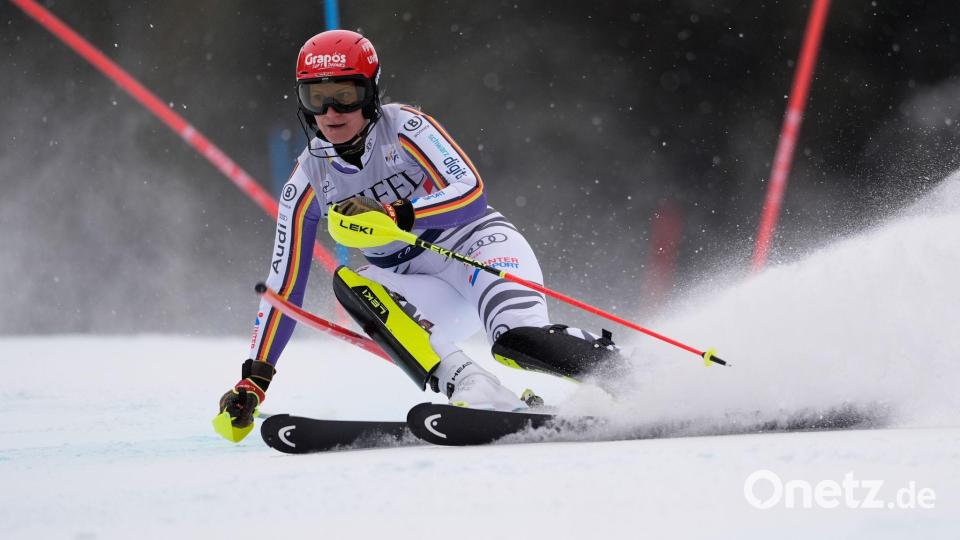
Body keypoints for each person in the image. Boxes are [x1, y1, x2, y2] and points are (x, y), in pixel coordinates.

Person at [218, 29, 622, 435]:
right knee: (352, 286)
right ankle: (474, 386)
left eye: (345, 95)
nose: (331, 112)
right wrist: (255, 378)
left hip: (477, 249)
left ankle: (629, 377)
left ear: (370, 93)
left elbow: (471, 192)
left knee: (517, 342)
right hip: (418, 287)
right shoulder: (307, 180)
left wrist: (397, 214)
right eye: (315, 97)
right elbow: (284, 284)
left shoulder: (405, 126)